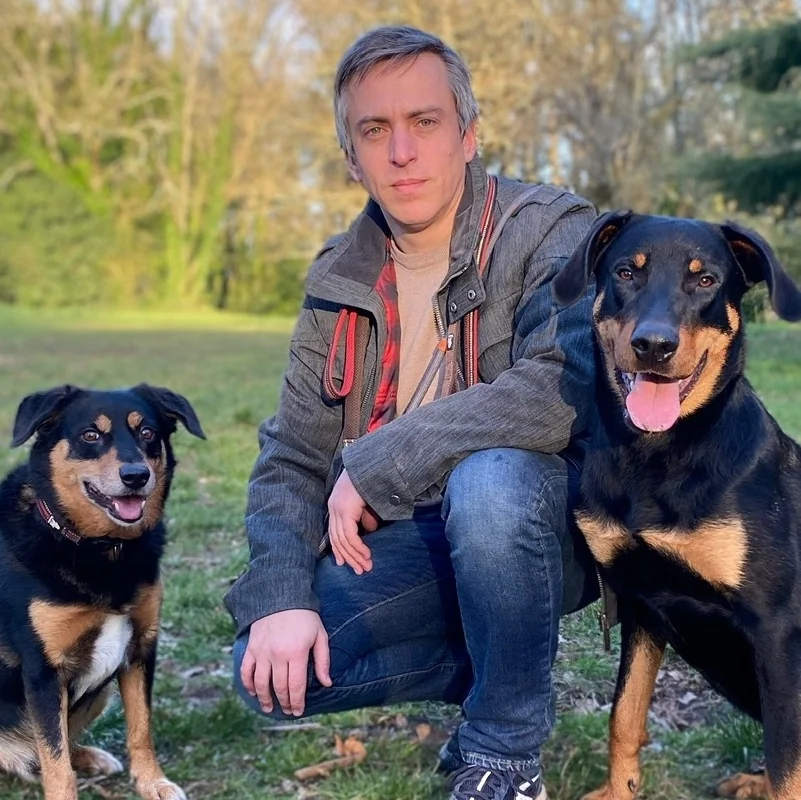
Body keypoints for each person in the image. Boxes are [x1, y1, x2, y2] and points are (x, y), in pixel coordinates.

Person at [225, 24, 599, 800]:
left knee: (489, 484)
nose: (401, 152)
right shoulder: (340, 275)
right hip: (409, 542)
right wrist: (281, 597)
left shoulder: (550, 229)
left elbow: (565, 384)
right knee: (274, 672)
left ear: (467, 135)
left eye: (423, 123)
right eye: (375, 130)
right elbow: (292, 455)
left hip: (539, 523)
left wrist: (379, 459)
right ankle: (513, 663)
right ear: (350, 156)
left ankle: (502, 753)